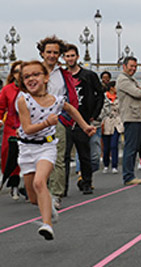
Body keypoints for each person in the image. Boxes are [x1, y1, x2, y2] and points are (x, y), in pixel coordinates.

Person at [16, 60, 95, 240]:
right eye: (27, 76)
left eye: (36, 74)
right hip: (27, 147)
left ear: (45, 78)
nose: (31, 79)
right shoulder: (23, 100)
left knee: (39, 182)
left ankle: (47, 225)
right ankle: (49, 207)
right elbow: (27, 128)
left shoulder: (56, 100)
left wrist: (85, 126)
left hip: (47, 146)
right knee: (33, 197)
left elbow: (71, 109)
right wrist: (47, 122)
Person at [36, 36, 79, 208]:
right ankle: (40, 189)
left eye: (55, 52)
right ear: (42, 53)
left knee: (58, 157)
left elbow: (68, 98)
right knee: (38, 158)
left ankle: (56, 194)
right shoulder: (33, 71)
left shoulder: (62, 75)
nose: (52, 56)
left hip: (57, 120)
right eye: (49, 52)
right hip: (36, 120)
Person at [63, 44, 104, 195]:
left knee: (86, 154)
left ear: (77, 57)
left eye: (72, 55)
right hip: (65, 120)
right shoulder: (61, 76)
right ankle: (63, 187)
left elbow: (100, 95)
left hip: (84, 119)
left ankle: (86, 182)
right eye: (67, 56)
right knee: (64, 156)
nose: (70, 59)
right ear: (64, 58)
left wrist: (94, 114)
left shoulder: (89, 76)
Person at [117, 56, 141, 185]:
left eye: (135, 66)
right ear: (124, 66)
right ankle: (128, 176)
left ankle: (130, 174)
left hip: (137, 116)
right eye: (131, 66)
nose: (133, 69)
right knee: (130, 147)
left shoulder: (132, 79)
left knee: (134, 147)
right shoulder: (123, 80)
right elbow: (139, 93)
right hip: (131, 116)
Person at [0, 61, 23, 200]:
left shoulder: (29, 88)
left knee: (24, 156)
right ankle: (12, 183)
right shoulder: (7, 89)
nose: (18, 75)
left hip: (27, 127)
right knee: (8, 154)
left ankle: (24, 186)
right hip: (11, 127)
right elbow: (1, 107)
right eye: (16, 72)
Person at [102, 81, 123, 174]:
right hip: (106, 122)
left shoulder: (120, 97)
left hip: (116, 122)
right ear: (111, 87)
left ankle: (115, 165)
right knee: (106, 147)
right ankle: (106, 164)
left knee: (114, 145)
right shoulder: (104, 97)